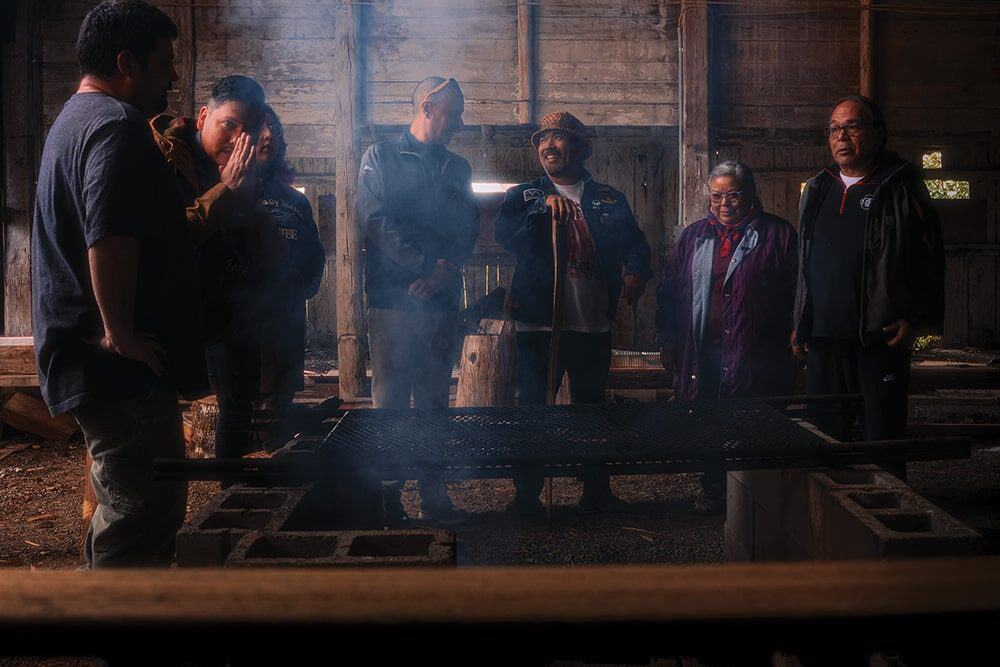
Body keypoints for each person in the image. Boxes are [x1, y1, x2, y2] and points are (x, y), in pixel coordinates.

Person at [31, 0, 208, 567]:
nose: (175, 76)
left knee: (125, 499)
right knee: (143, 507)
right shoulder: (116, 126)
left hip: (93, 358)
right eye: (165, 63)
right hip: (116, 365)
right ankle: (119, 637)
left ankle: (110, 621)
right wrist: (120, 333)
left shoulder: (73, 120)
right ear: (127, 62)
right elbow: (110, 237)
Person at [495, 111, 653, 517]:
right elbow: (503, 237)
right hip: (538, 324)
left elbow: (635, 244)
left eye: (559, 138)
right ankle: (526, 495)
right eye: (543, 139)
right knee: (532, 411)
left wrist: (635, 271)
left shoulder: (608, 198)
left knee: (592, 412)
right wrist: (540, 210)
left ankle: (595, 491)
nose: (548, 145)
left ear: (581, 148)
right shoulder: (524, 195)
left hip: (591, 325)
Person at [792, 95, 944, 481]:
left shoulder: (901, 186)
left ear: (878, 133)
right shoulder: (817, 188)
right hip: (825, 337)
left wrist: (917, 319)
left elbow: (931, 259)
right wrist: (801, 320)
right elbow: (804, 264)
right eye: (834, 129)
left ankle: (890, 526)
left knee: (883, 440)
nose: (842, 136)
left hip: (879, 338)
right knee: (824, 442)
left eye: (853, 126)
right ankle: (828, 524)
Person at [357, 76, 481, 520]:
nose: (460, 123)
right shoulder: (381, 156)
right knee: (390, 400)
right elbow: (374, 219)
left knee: (432, 399)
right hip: (393, 300)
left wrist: (444, 271)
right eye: (456, 112)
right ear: (428, 107)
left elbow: (468, 227)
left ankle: (434, 494)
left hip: (440, 300)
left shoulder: (458, 168)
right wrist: (420, 267)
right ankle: (388, 499)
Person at [151, 75, 285, 463]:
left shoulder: (236, 169)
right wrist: (226, 193)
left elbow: (264, 253)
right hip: (160, 318)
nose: (238, 139)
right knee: (147, 440)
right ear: (203, 116)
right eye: (229, 125)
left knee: (237, 408)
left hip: (218, 314)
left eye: (250, 130)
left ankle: (232, 497)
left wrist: (248, 198)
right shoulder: (163, 157)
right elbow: (168, 241)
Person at [656, 161, 798, 514]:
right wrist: (668, 338)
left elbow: (797, 291)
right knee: (708, 419)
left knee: (753, 417)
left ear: (750, 194)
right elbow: (670, 292)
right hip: (703, 349)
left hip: (756, 348)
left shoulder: (778, 235)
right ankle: (714, 487)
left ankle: (756, 492)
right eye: (717, 195)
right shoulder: (694, 236)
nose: (724, 203)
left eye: (733, 194)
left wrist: (797, 333)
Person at [254, 106, 326, 450]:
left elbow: (315, 253)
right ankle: (240, 484)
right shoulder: (231, 193)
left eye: (274, 131)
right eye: (260, 129)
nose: (269, 136)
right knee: (246, 405)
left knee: (279, 400)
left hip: (287, 318)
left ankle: (273, 475)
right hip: (245, 321)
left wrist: (302, 286)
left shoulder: (296, 202)